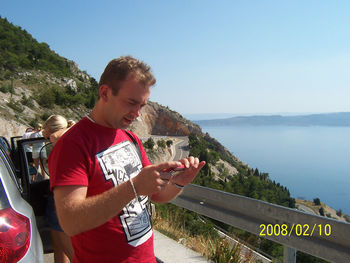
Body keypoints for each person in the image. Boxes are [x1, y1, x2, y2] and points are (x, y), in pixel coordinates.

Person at [48, 55, 206, 263]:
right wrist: (134, 187)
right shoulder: (72, 145)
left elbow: (155, 195)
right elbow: (70, 221)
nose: (137, 114)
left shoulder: (129, 137)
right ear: (105, 92)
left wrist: (178, 182)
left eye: (142, 105)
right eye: (132, 102)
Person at [42, 115, 74, 263]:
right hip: (62, 198)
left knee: (70, 250)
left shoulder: (62, 141)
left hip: (61, 200)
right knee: (59, 247)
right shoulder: (70, 140)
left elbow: (55, 135)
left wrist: (53, 134)